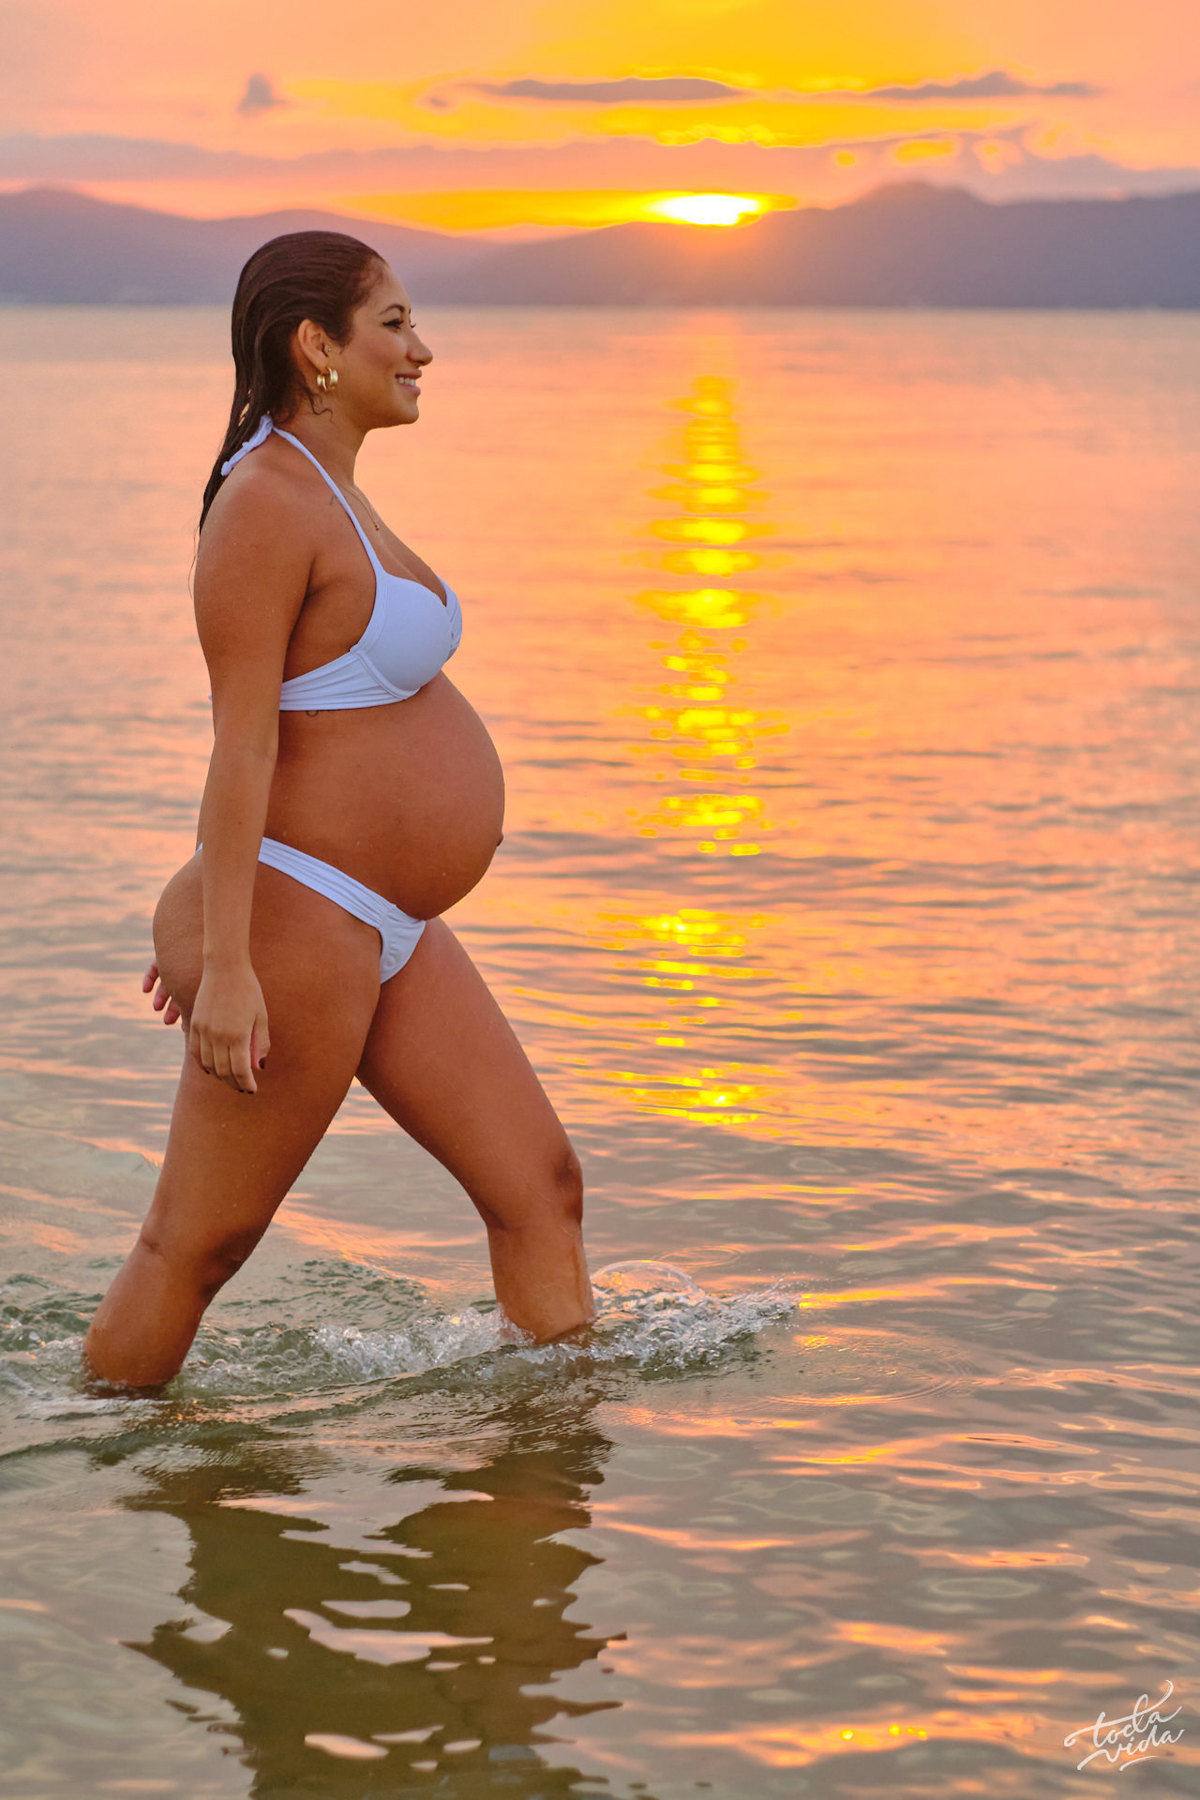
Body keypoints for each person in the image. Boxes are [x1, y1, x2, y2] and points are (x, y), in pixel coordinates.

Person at [83, 231, 596, 1387]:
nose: (424, 351)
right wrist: (226, 960)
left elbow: (315, 729)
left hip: (386, 923)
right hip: (306, 921)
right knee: (196, 1248)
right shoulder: (266, 502)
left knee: (542, 1186)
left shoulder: (333, 493)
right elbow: (242, 744)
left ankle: (552, 1457)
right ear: (317, 345)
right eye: (395, 325)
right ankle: (98, 1448)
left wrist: (210, 906)